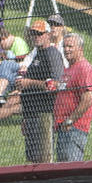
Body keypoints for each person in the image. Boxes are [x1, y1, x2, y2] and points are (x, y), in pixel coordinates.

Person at [16, 20, 64, 162]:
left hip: (43, 114)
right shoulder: (37, 54)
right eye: (33, 33)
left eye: (39, 33)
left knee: (41, 158)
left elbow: (55, 84)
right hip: (31, 114)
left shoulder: (52, 54)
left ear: (48, 34)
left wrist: (28, 83)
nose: (36, 36)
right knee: (32, 159)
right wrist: (25, 117)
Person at [53, 33, 92, 161]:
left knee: (70, 168)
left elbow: (87, 99)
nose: (66, 50)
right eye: (64, 46)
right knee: (62, 168)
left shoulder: (84, 68)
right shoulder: (67, 70)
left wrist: (70, 120)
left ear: (80, 49)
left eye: (70, 46)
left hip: (74, 128)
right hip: (62, 127)